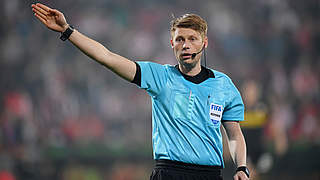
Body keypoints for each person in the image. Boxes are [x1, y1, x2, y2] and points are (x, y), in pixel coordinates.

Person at [31, 3, 249, 180]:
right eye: (180, 39)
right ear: (171, 43)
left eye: (192, 39)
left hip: (210, 175)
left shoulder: (224, 85)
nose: (186, 45)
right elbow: (107, 57)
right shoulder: (159, 77)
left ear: (204, 43)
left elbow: (234, 133)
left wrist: (241, 167)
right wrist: (68, 31)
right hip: (169, 173)